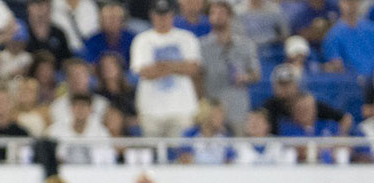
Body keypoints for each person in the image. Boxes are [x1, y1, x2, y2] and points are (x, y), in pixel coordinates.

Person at [130, 0, 201, 138]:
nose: (162, 19)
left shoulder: (187, 38)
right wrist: (177, 66)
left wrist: (161, 66)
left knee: (181, 153)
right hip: (150, 109)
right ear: (152, 15)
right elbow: (145, 72)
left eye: (166, 15)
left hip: (182, 108)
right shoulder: (142, 40)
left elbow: (192, 69)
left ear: (172, 15)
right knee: (154, 154)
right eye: (159, 15)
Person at [199, 0, 259, 134]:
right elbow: (198, 76)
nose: (217, 16)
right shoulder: (202, 46)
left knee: (240, 147)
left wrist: (246, 77)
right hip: (212, 107)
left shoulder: (246, 44)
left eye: (221, 12)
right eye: (213, 13)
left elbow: (256, 74)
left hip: (238, 107)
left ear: (230, 15)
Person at [261, 64, 353, 134]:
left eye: (288, 84)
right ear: (274, 87)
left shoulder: (308, 103)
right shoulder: (269, 107)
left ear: (297, 85)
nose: (285, 89)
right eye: (281, 84)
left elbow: (346, 119)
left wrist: (338, 138)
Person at [49, 92, 113, 165]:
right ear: (71, 109)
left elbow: (106, 159)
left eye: (84, 106)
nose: (80, 110)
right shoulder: (56, 130)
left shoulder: (101, 132)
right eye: (77, 106)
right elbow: (51, 156)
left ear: (90, 109)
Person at [322, 0, 374, 76]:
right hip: (352, 82)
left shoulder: (370, 28)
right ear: (340, 4)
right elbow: (336, 64)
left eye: (354, 2)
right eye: (347, 2)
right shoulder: (333, 36)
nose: (351, 6)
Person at [81, 2, 134, 69]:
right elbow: (90, 66)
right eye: (108, 18)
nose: (112, 22)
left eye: (115, 18)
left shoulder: (133, 40)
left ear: (123, 21)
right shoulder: (92, 41)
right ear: (100, 21)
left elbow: (135, 65)